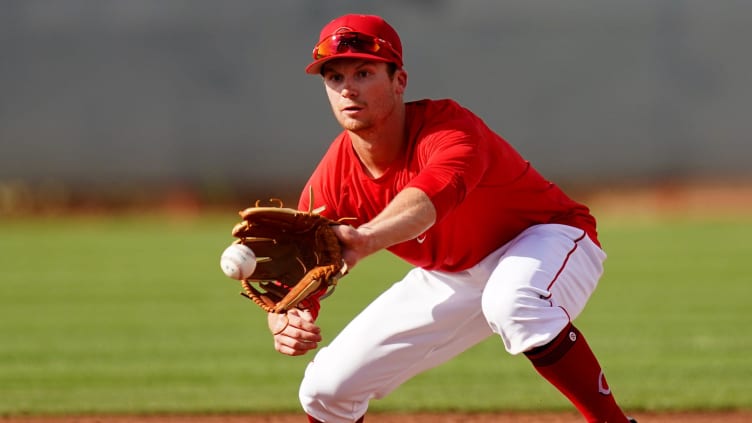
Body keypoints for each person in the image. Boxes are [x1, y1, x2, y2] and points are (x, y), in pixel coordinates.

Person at [266, 13, 636, 423]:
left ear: (398, 81)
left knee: (514, 301)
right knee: (325, 390)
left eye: (364, 72)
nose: (348, 88)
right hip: (451, 274)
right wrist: (287, 314)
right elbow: (295, 272)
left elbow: (428, 201)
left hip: (545, 238)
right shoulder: (332, 178)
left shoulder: (450, 129)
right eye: (334, 78)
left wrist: (369, 237)